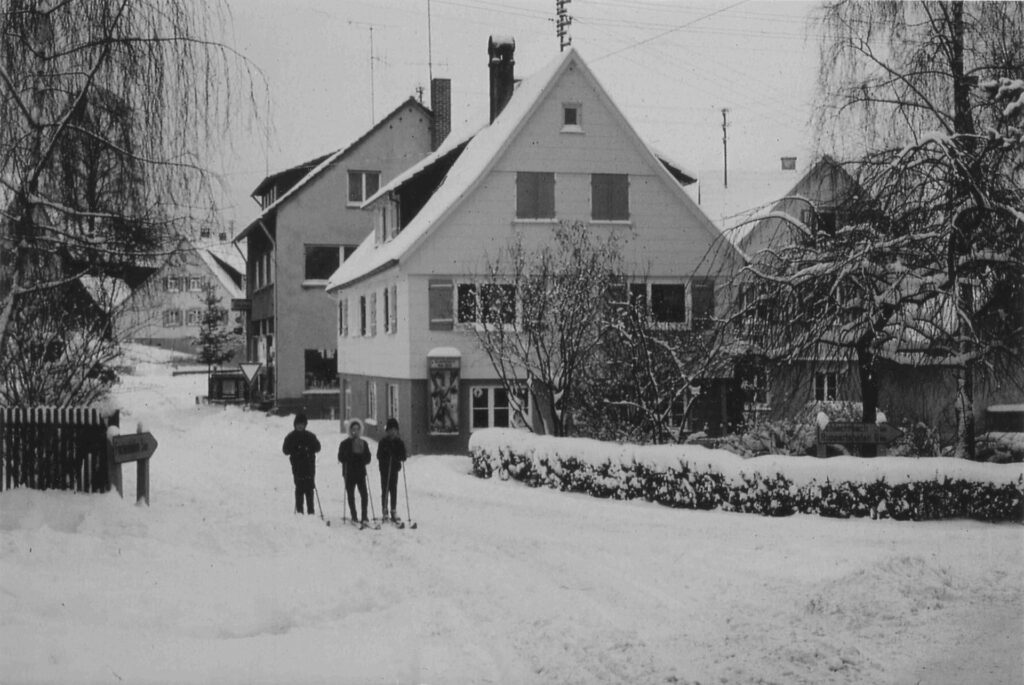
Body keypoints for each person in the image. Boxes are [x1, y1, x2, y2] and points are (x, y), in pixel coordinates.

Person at [282, 413, 321, 515]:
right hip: (297, 467)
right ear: (295, 424)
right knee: (299, 489)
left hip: (309, 466)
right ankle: (299, 513)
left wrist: (308, 449)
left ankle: (311, 513)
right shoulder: (290, 437)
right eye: (298, 424)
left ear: (305, 425)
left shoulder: (310, 436)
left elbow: (318, 447)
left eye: (302, 424)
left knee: (309, 490)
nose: (300, 426)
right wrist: (295, 450)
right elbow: (285, 450)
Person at [337, 420, 371, 525]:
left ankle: (364, 516)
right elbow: (340, 457)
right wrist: (348, 456)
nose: (355, 431)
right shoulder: (344, 443)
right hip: (349, 473)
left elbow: (368, 458)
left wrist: (362, 457)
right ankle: (354, 516)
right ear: (350, 430)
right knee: (351, 495)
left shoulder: (363, 443)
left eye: (357, 429)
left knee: (364, 495)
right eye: (353, 429)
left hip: (360, 472)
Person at [377, 417, 408, 522]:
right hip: (384, 470)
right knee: (385, 490)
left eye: (394, 430)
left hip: (394, 469)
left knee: (393, 489)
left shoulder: (399, 442)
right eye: (390, 430)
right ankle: (384, 510)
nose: (392, 432)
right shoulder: (383, 442)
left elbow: (403, 456)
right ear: (387, 431)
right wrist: (386, 455)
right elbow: (379, 455)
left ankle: (393, 510)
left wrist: (399, 457)